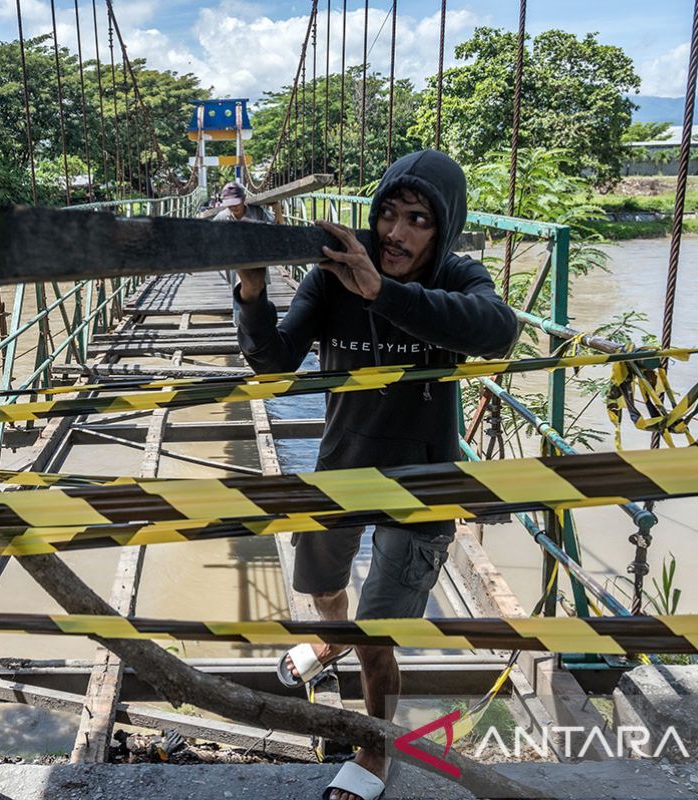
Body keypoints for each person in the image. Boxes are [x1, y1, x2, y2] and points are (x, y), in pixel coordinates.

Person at [233, 150, 518, 800]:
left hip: (422, 484)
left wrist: (382, 293)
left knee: (376, 636)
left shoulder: (458, 276)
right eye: (388, 212)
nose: (396, 233)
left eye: (419, 219)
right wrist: (253, 292)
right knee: (321, 588)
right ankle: (328, 644)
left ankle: (373, 751)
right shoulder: (335, 271)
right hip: (342, 467)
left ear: (443, 230)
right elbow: (274, 367)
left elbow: (499, 333)